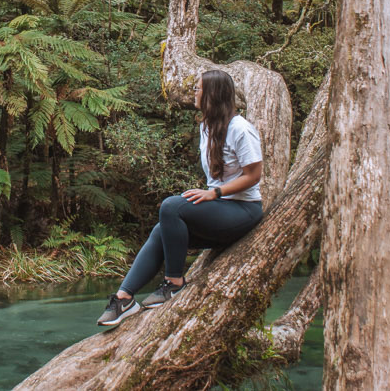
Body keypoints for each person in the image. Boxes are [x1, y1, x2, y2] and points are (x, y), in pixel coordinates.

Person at [96, 69, 264, 326]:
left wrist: (214, 192)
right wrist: (212, 194)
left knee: (171, 207)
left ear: (212, 94)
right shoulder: (207, 127)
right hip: (221, 209)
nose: (194, 93)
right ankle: (124, 298)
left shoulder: (241, 129)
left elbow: (254, 175)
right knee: (162, 229)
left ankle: (174, 283)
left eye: (198, 89)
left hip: (244, 210)